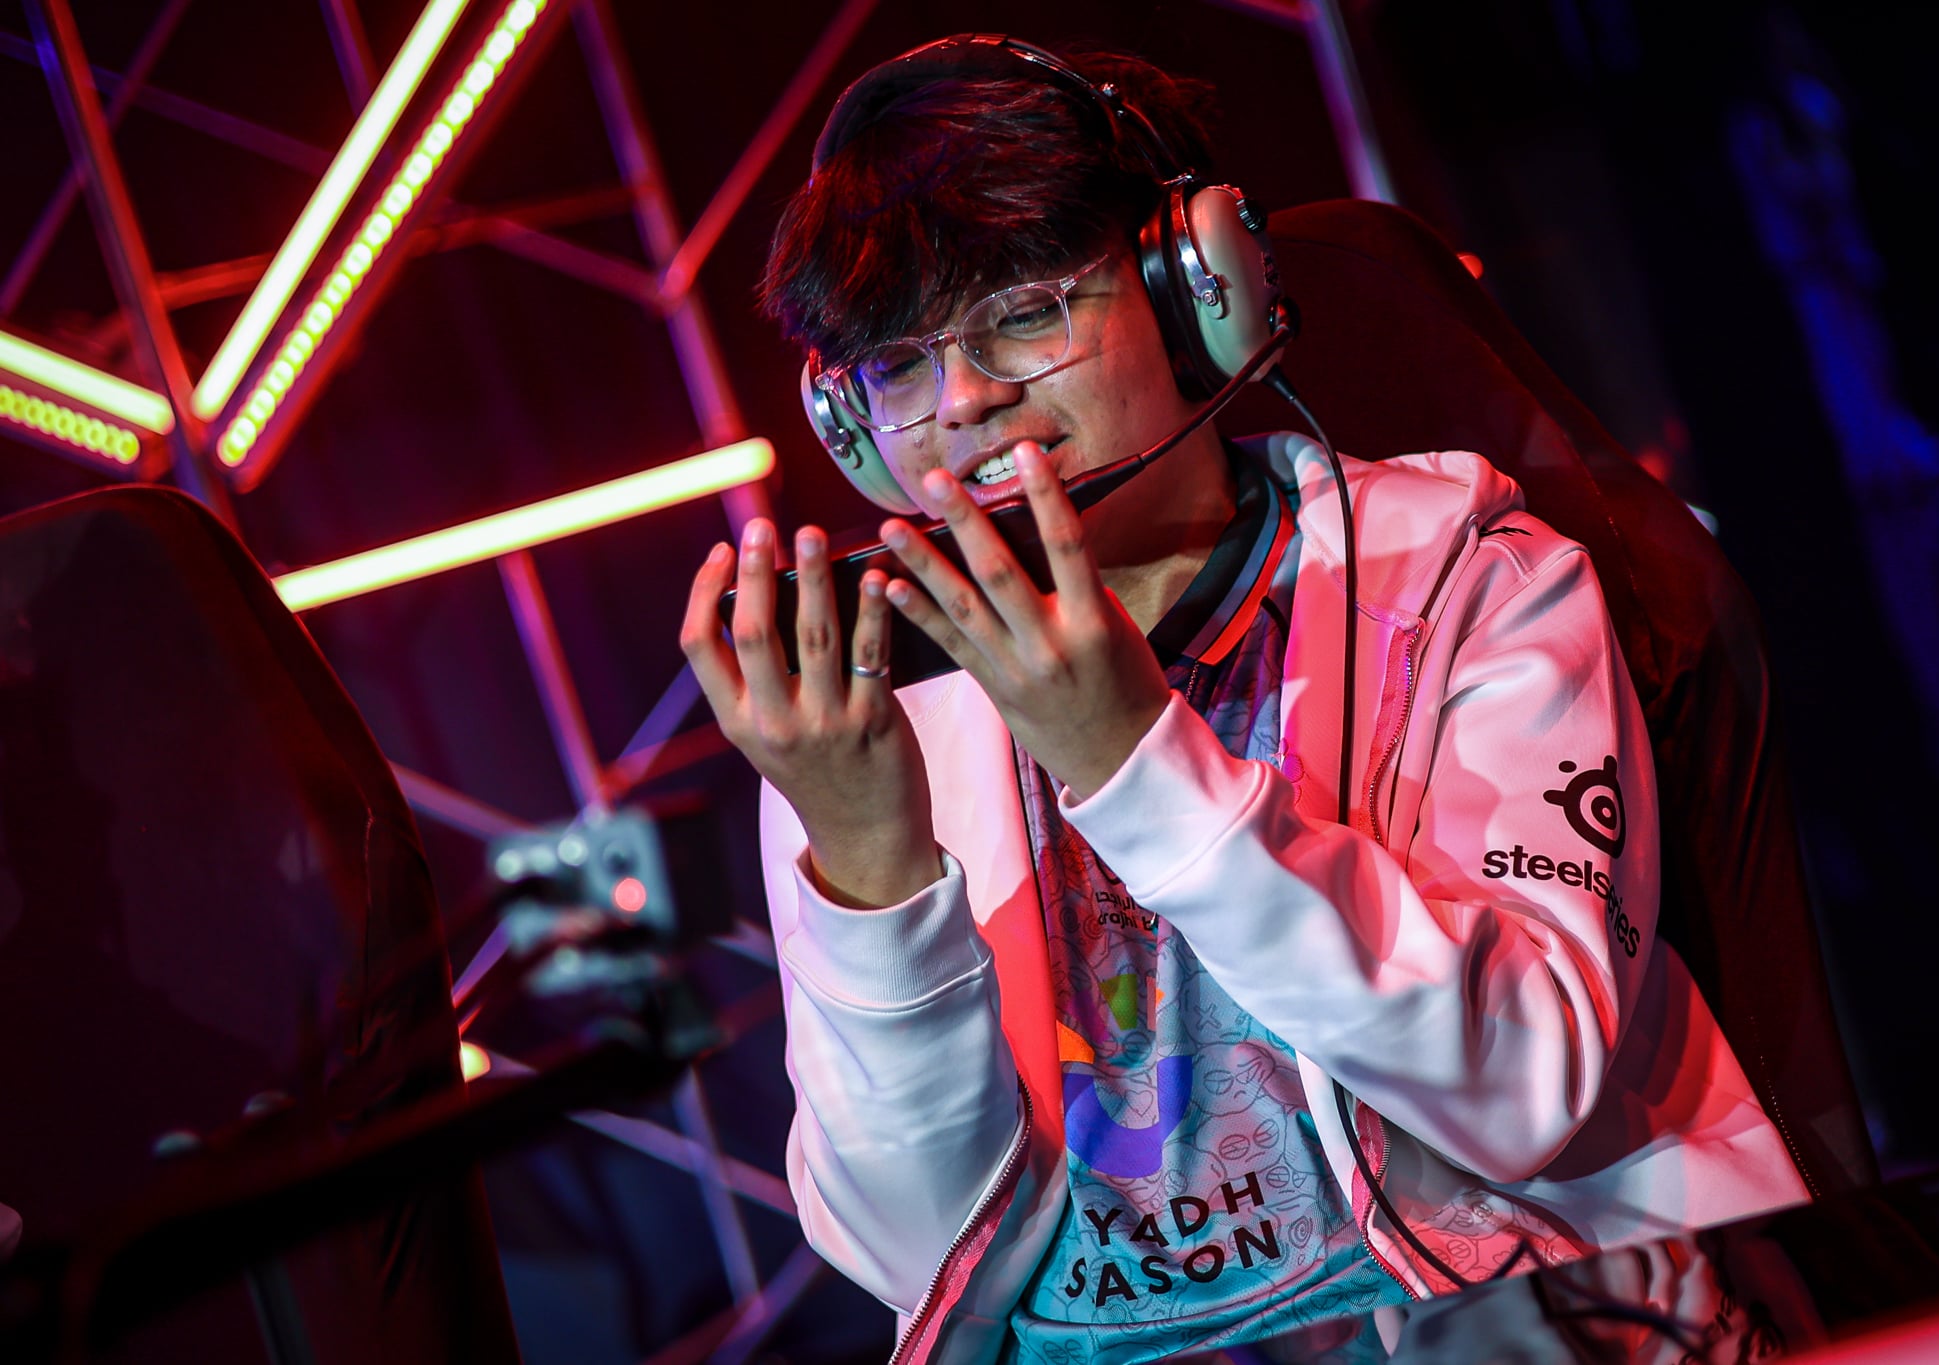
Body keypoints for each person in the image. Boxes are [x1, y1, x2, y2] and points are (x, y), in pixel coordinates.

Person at [678, 34, 1808, 1364]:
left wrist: (1134, 762)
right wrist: (870, 872)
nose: (967, 401)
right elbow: (920, 1256)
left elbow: (1519, 1090)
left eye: (1026, 313)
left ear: (1192, 288)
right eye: (899, 365)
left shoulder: (1470, 581)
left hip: (1526, 1319)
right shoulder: (878, 714)